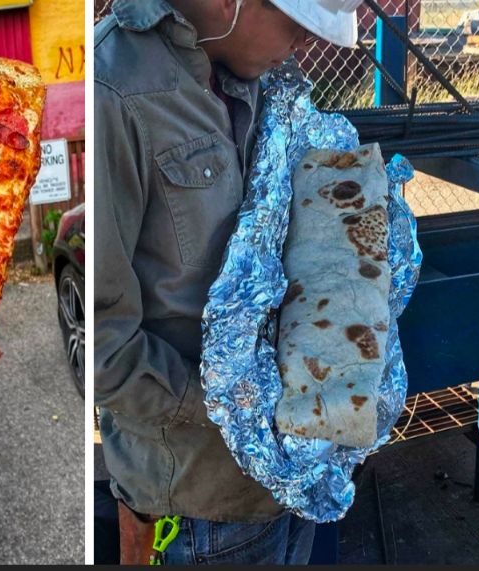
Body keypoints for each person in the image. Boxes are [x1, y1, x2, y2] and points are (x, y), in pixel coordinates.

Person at [94, 0, 362, 565]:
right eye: (299, 25)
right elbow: (101, 344)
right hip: (199, 506)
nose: (306, 47)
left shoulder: (245, 74)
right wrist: (237, 410)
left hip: (287, 480)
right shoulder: (113, 94)